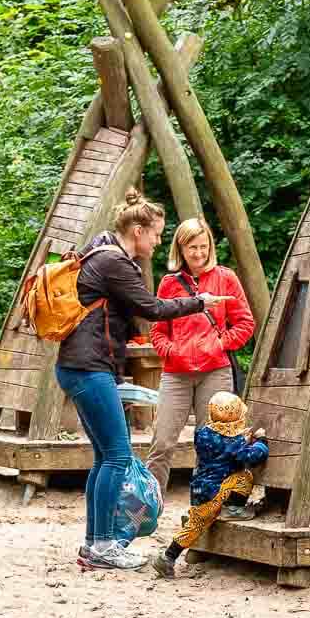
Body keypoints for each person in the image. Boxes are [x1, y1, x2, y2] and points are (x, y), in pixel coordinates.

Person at [56, 190, 221, 572]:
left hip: (79, 366)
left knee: (104, 458)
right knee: (116, 455)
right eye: (156, 234)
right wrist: (200, 302)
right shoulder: (116, 262)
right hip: (89, 367)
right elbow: (151, 308)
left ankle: (95, 544)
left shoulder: (101, 249)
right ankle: (102, 547)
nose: (158, 241)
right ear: (136, 230)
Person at [146, 218, 255, 501]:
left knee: (214, 443)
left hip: (215, 371)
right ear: (180, 249)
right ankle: (149, 502)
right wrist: (171, 350)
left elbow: (245, 323)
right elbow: (157, 330)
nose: (198, 253)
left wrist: (219, 343)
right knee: (162, 440)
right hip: (176, 373)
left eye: (203, 247)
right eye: (192, 247)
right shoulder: (169, 283)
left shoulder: (226, 278)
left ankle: (207, 503)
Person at [152, 392, 269, 579]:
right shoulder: (234, 443)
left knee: (194, 524)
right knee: (244, 476)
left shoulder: (203, 434)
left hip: (200, 489)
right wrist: (261, 443)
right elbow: (250, 457)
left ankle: (168, 557)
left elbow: (222, 449)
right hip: (215, 492)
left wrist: (241, 440)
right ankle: (233, 509)